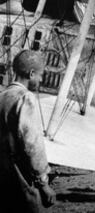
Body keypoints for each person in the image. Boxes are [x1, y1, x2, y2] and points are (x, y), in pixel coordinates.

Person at [0, 50, 56, 212]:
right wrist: (43, 184)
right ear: (31, 74)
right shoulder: (25, 98)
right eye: (40, 75)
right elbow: (32, 145)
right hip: (20, 182)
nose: (41, 79)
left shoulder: (2, 96)